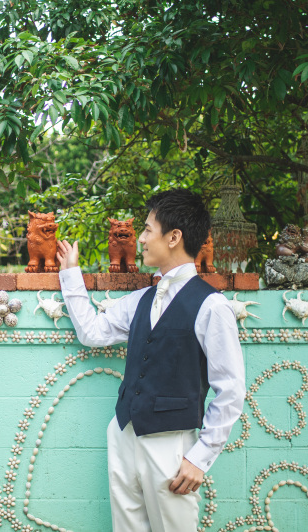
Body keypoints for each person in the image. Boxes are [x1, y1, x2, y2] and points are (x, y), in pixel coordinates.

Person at [56, 188, 246, 532]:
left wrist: (200, 459)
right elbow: (93, 333)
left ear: (174, 237)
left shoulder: (213, 306)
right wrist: (70, 274)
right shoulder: (141, 298)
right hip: (124, 430)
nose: (141, 238)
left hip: (172, 445)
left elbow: (231, 390)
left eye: (147, 229)